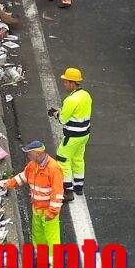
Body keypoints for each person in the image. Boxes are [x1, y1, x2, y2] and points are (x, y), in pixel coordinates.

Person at [2, 140, 64, 252]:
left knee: (52, 240)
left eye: (30, 153)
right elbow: (23, 177)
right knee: (38, 236)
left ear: (38, 154)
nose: (28, 155)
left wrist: (52, 212)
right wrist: (8, 183)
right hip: (37, 209)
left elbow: (58, 193)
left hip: (48, 211)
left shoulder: (53, 169)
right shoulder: (33, 165)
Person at [49, 67, 90, 195]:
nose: (64, 84)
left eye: (66, 82)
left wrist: (55, 113)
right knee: (78, 159)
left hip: (73, 135)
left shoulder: (70, 100)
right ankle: (78, 187)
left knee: (62, 159)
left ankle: (67, 190)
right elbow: (76, 114)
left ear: (72, 83)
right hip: (84, 134)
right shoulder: (86, 95)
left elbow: (62, 119)